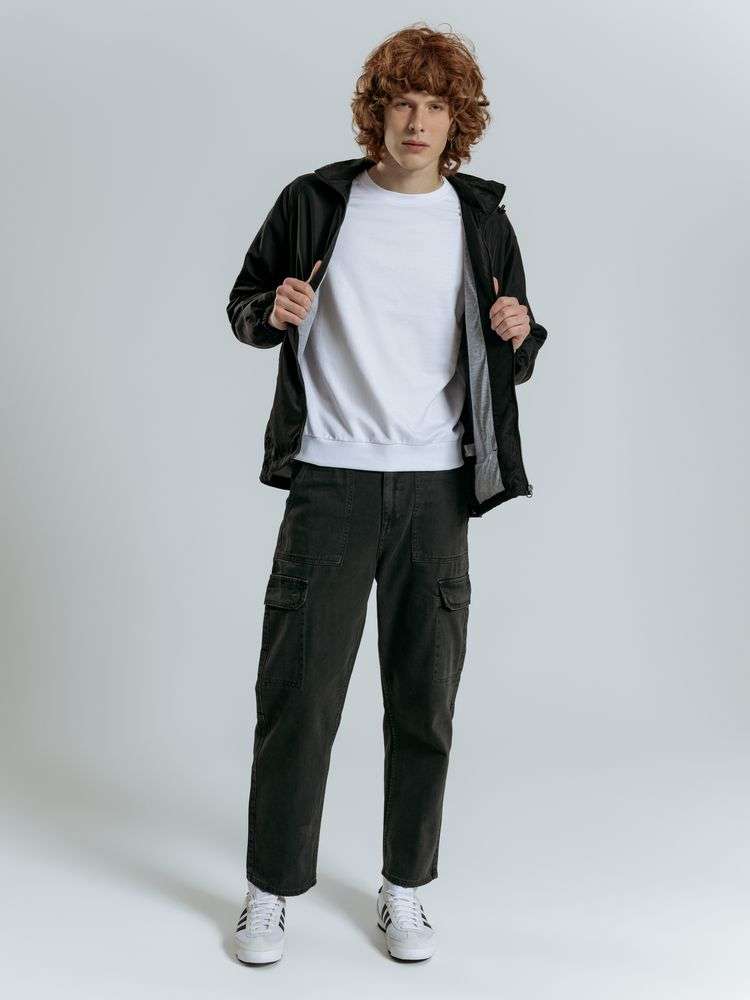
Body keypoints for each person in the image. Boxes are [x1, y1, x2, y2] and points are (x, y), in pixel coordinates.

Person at [225, 23, 548, 964]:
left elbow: (513, 355)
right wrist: (271, 310)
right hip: (330, 480)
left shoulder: (481, 222)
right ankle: (269, 889)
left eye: (436, 106)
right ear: (377, 112)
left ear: (458, 121)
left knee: (423, 702)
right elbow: (245, 304)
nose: (417, 121)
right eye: (403, 102)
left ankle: (405, 887)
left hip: (438, 489)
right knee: (298, 696)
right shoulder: (316, 202)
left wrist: (520, 332)